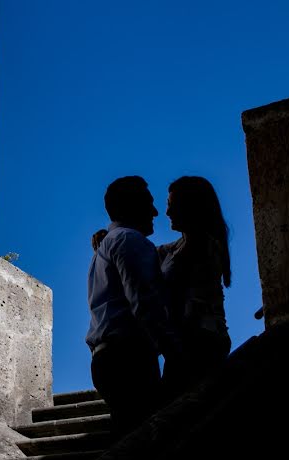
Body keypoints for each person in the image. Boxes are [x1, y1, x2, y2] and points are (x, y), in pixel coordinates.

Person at [86, 176, 175, 435]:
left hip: (107, 359)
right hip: (128, 359)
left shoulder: (109, 244)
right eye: (149, 203)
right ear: (132, 206)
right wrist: (173, 351)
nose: (156, 211)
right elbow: (145, 302)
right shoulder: (129, 240)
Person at [158, 176, 232, 399]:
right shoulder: (181, 247)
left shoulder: (200, 247)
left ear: (190, 207)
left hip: (198, 343)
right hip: (200, 339)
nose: (167, 212)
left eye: (172, 206)